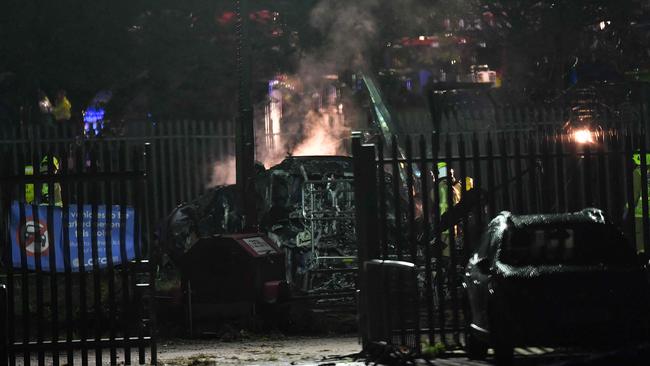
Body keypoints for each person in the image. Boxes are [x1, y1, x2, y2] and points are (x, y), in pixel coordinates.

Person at [632, 152, 650, 253]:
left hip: (640, 211)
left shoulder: (638, 172)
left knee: (640, 235)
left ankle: (642, 256)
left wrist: (627, 207)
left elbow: (635, 194)